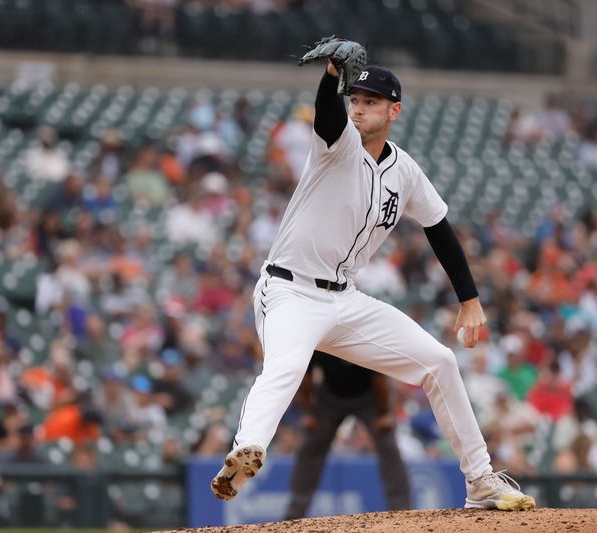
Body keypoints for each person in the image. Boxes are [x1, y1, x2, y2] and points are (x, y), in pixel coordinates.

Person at [210, 54, 536, 511]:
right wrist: (329, 78)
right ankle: (247, 450)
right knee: (286, 367)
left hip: (345, 299)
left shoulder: (404, 170)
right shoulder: (336, 144)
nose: (358, 108)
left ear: (394, 111)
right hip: (289, 290)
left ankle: (481, 480)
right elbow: (326, 113)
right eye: (355, 99)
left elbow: (438, 227)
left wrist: (469, 299)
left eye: (370, 101)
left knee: (439, 361)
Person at [284, 351, 410, 519]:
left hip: (369, 397)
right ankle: (294, 516)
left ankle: (401, 511)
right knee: (309, 448)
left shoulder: (360, 337)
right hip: (330, 398)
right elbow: (306, 379)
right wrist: (309, 413)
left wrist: (384, 413)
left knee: (388, 446)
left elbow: (379, 379)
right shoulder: (321, 340)